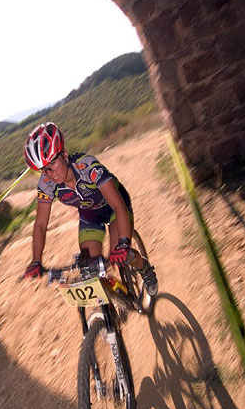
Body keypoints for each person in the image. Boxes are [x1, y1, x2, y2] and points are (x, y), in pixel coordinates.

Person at [22, 122, 158, 295]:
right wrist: (36, 260)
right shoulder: (46, 184)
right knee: (90, 268)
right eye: (43, 169)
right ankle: (111, 302)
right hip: (90, 216)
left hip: (115, 208)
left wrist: (124, 243)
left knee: (120, 254)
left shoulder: (87, 167)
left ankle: (145, 268)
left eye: (53, 163)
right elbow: (40, 224)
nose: (50, 173)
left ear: (64, 154)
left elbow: (118, 206)